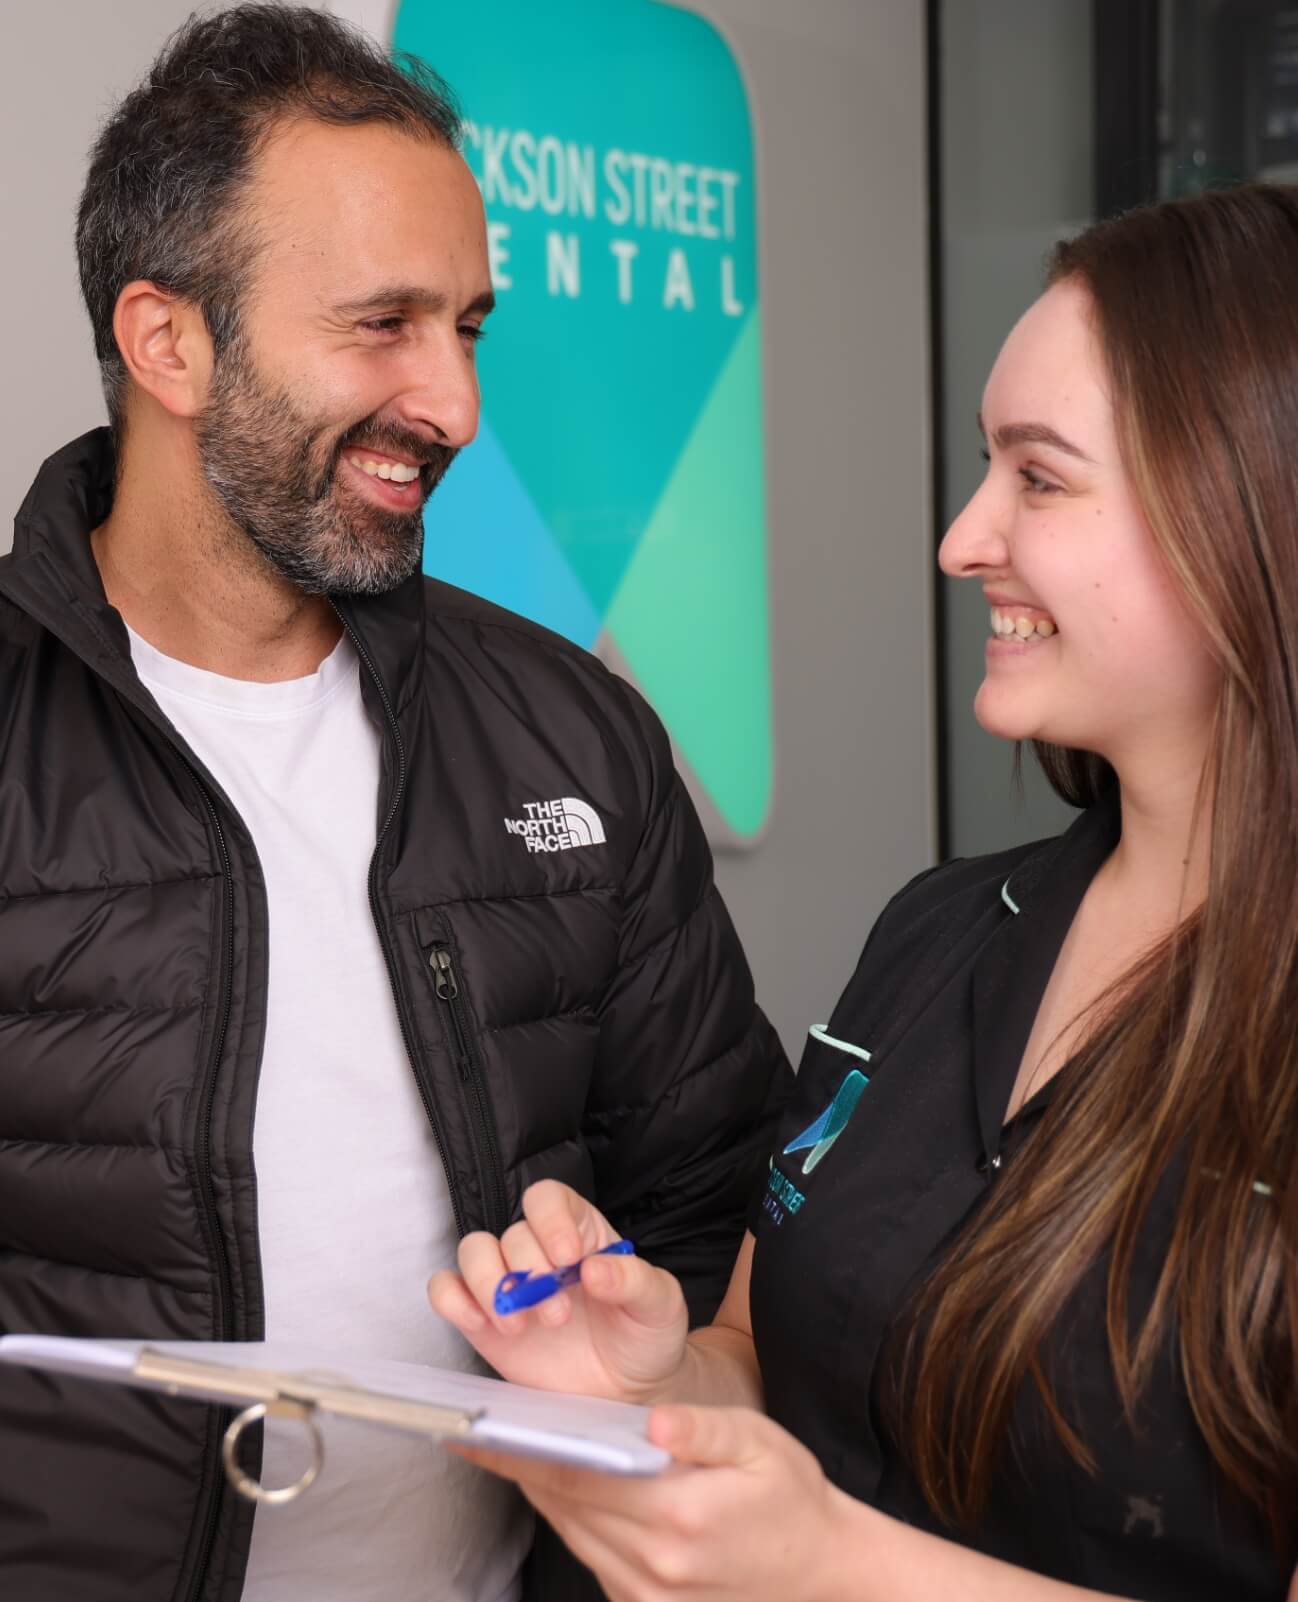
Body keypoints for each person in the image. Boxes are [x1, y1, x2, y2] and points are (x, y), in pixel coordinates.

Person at [0, 7, 790, 1601]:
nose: (453, 404)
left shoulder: (574, 735)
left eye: (469, 328)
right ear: (168, 341)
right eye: (383, 326)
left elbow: (724, 1225)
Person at [430, 183, 1298, 1602]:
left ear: (1246, 509)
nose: (962, 539)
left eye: (1039, 474)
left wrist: (832, 1565)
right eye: (983, 467)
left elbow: (821, 1537)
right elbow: (773, 1357)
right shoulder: (942, 933)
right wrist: (653, 1381)